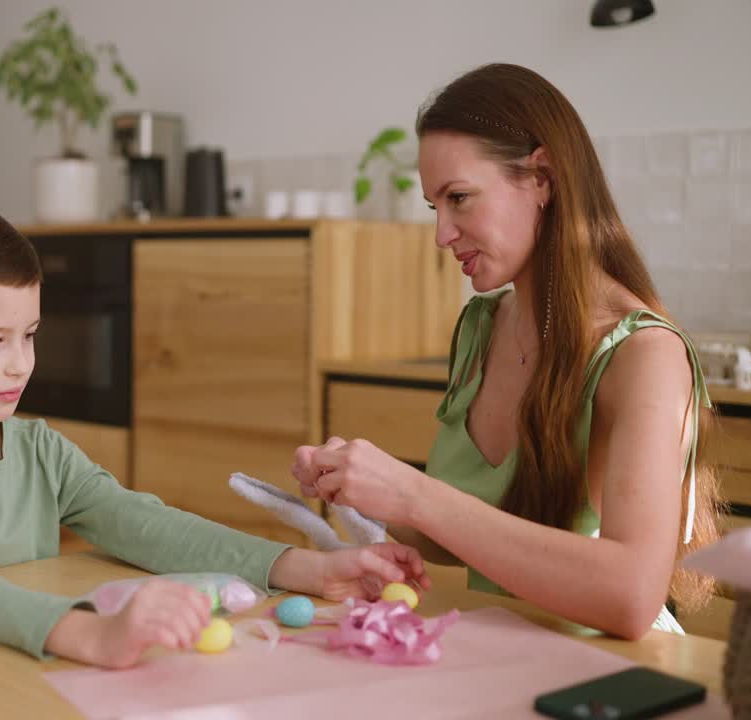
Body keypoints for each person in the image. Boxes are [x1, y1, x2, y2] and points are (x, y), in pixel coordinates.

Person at [0, 202, 430, 668]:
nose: (20, 364)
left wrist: (315, 569)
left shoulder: (40, 449)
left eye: (30, 335)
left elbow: (144, 524)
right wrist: (92, 635)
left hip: (10, 669)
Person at [293, 63, 721, 639]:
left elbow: (630, 597)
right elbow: (468, 533)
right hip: (506, 651)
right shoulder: (482, 326)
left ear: (541, 177)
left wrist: (414, 494)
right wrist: (367, 488)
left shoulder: (644, 354)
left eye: (460, 198)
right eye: (434, 207)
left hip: (611, 678)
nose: (442, 233)